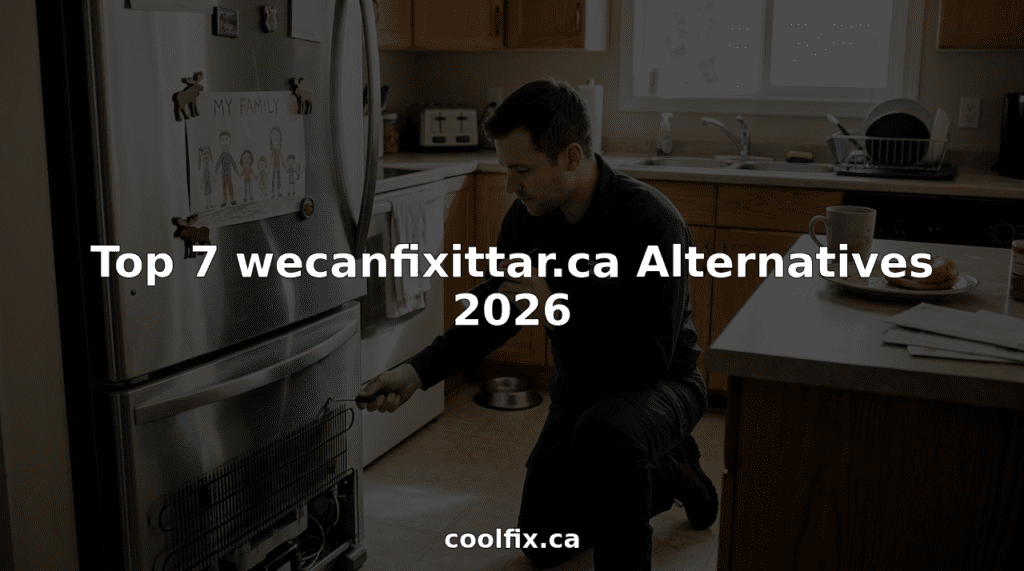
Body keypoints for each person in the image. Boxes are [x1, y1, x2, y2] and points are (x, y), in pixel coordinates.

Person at [358, 78, 718, 571]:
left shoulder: (652, 222)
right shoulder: (526, 218)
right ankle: (670, 473)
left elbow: (647, 359)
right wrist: (416, 372)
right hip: (580, 387)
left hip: (664, 383)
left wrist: (554, 302)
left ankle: (641, 476)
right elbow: (494, 315)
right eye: (506, 170)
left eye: (521, 170)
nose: (510, 185)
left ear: (571, 157)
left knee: (608, 433)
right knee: (545, 542)